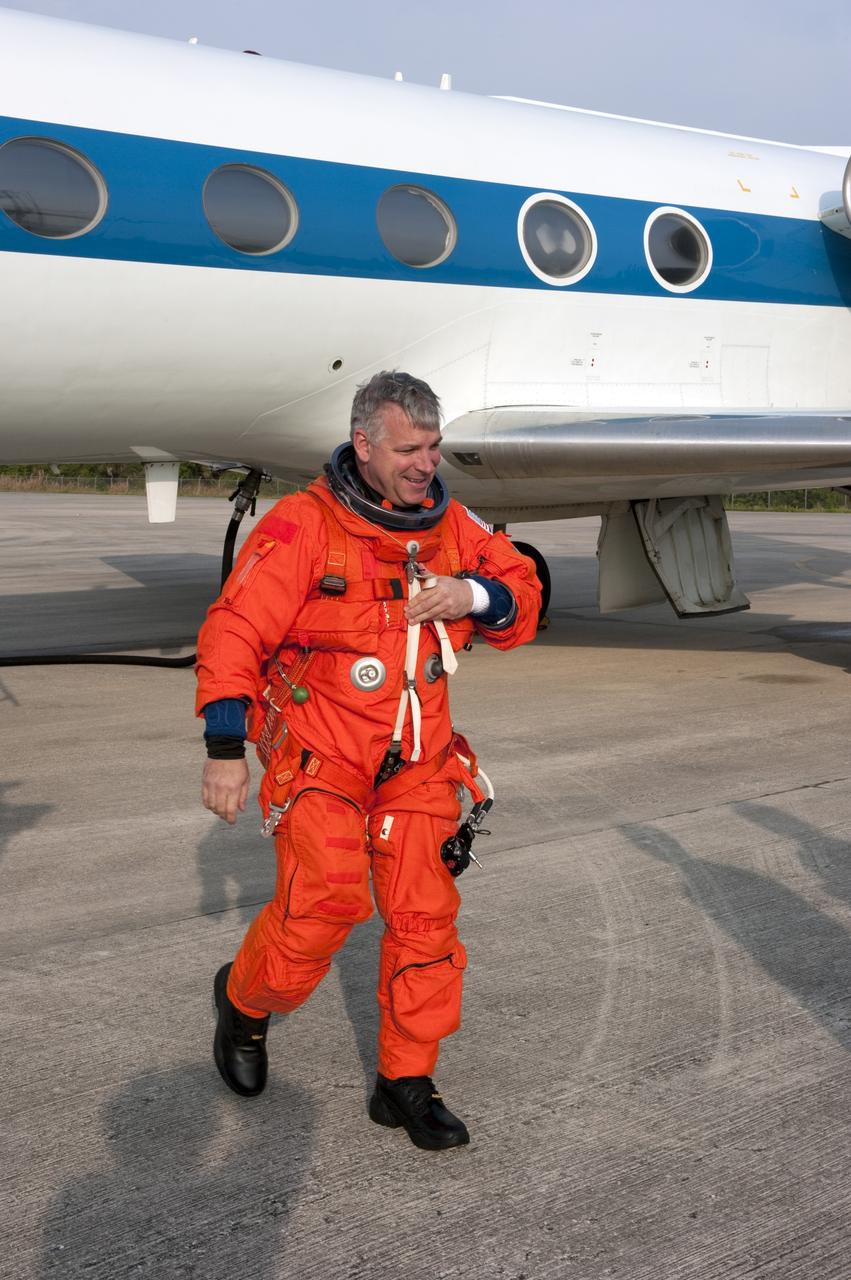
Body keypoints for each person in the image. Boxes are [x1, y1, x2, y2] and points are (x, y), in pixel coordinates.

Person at [195, 370, 540, 1150]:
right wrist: (224, 749)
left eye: (434, 446)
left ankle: (405, 1081)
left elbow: (519, 595)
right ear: (364, 445)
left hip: (417, 761)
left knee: (425, 922)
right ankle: (245, 1009)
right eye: (410, 449)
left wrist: (472, 597)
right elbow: (233, 633)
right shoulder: (301, 526)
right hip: (320, 755)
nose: (426, 463)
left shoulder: (454, 529)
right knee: (324, 905)